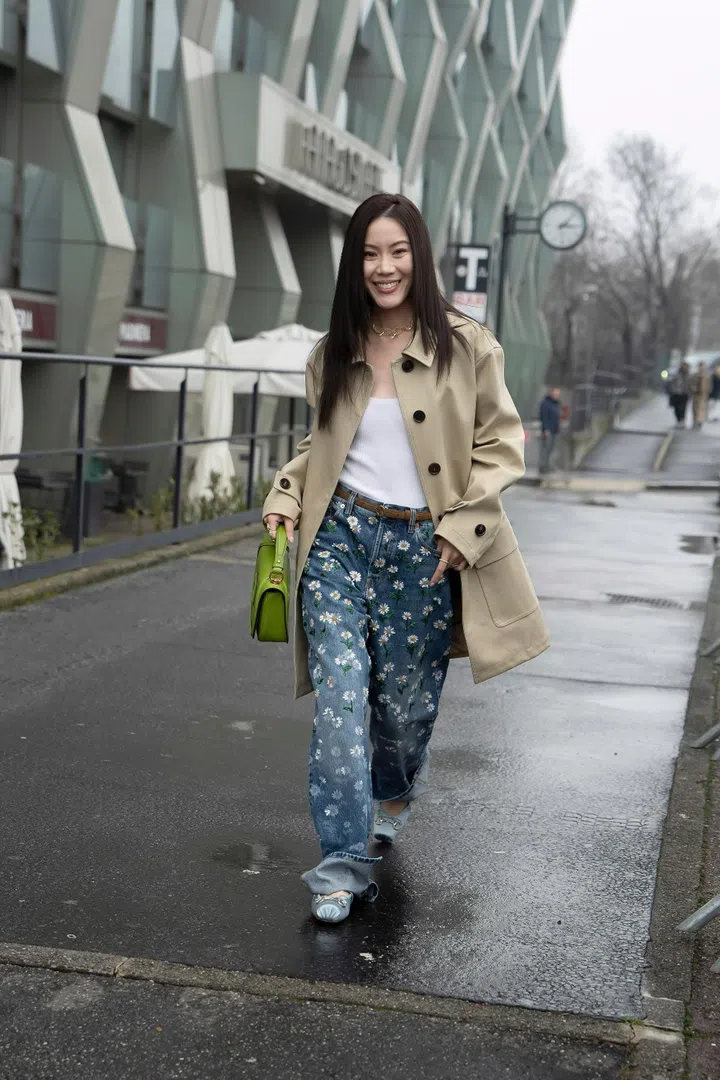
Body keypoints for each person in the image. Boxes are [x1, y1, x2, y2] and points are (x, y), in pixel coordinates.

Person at [262, 193, 549, 925]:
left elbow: (501, 448)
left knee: (405, 714)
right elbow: (320, 450)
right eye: (369, 253)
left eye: (397, 251)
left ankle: (392, 794)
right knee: (341, 703)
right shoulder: (332, 351)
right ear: (354, 263)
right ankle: (341, 863)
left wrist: (463, 525)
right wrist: (287, 496)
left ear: (418, 256)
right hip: (340, 540)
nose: (384, 267)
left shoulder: (468, 345)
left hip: (425, 546)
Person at [538, 388, 561, 473]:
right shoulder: (546, 403)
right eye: (555, 394)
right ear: (551, 393)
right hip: (548, 431)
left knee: (552, 450)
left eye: (558, 394)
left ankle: (549, 466)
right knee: (546, 449)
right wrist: (546, 429)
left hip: (554, 430)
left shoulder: (556, 404)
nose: (557, 396)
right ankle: (543, 467)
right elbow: (543, 417)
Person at [668, 362, 691, 426]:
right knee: (676, 408)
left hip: (684, 394)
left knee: (683, 408)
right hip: (676, 393)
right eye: (683, 366)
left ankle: (682, 420)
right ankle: (678, 420)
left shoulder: (689, 375)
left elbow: (690, 384)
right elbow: (671, 382)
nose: (684, 368)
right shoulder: (676, 374)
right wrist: (672, 389)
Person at [690, 362, 711, 428]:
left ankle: (699, 422)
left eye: (703, 366)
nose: (701, 368)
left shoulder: (707, 376)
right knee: (694, 409)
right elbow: (691, 384)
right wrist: (693, 389)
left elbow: (709, 386)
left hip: (703, 395)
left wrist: (708, 393)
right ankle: (695, 421)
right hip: (696, 394)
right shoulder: (695, 375)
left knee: (701, 409)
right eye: (700, 366)